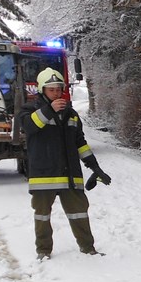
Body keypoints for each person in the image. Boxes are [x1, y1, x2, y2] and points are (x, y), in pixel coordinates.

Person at [18, 67, 111, 260]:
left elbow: (80, 144)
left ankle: (88, 248)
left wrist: (95, 168)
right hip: (43, 176)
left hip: (70, 176)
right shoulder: (29, 110)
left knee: (80, 213)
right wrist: (49, 110)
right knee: (42, 216)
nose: (56, 93)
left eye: (59, 89)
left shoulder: (71, 115)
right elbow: (29, 127)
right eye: (51, 89)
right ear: (42, 90)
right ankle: (43, 251)